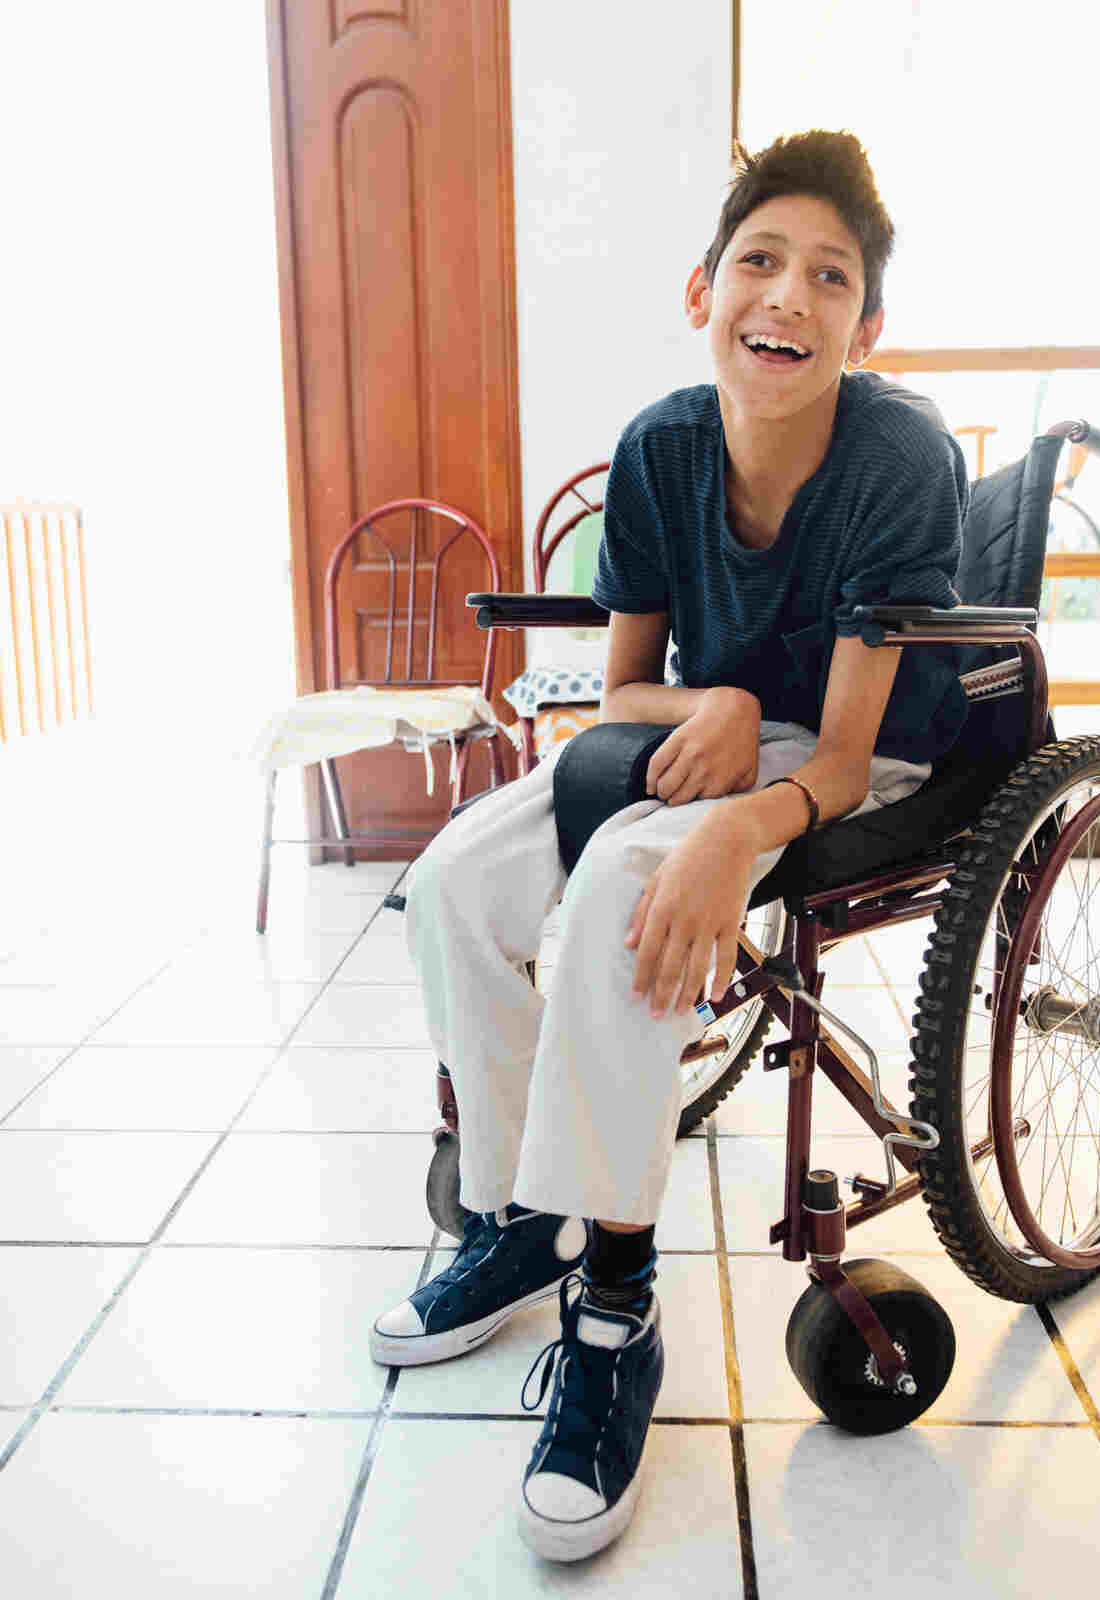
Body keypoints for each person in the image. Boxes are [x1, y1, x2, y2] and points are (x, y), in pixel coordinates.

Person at [370, 128, 969, 1563]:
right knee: (456, 881)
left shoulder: (897, 458)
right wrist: (707, 703)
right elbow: (625, 683)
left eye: (830, 276)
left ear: (864, 328)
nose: (791, 293)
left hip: (855, 745)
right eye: (761, 260)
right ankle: (527, 1220)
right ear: (703, 288)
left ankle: (618, 1309)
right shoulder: (659, 447)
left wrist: (730, 836)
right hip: (715, 729)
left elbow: (835, 758)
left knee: (619, 911)